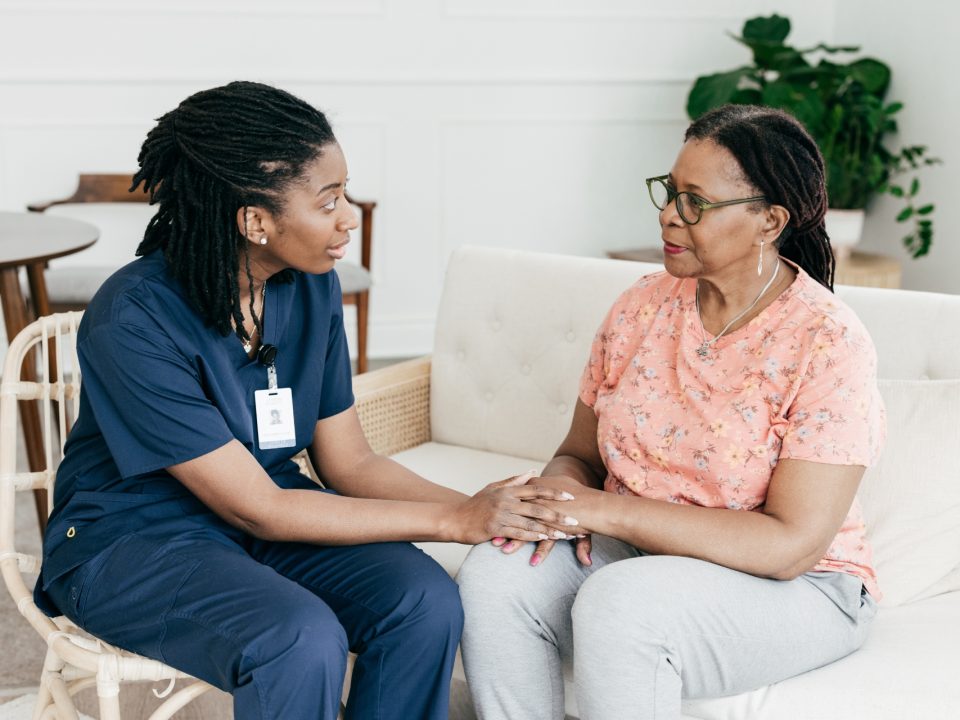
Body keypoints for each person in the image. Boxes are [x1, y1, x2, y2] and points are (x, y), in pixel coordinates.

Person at [34, 81, 577, 720]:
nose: (350, 217)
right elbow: (261, 508)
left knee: (423, 600)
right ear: (255, 221)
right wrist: (452, 523)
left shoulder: (309, 287)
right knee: (296, 638)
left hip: (268, 517)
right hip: (133, 542)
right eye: (329, 201)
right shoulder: (132, 318)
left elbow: (351, 465)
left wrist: (486, 510)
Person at [457, 104, 886, 720]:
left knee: (623, 603)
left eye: (695, 202)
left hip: (800, 586)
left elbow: (789, 545)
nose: (668, 215)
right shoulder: (641, 305)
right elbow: (578, 454)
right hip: (638, 552)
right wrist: (555, 503)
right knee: (497, 573)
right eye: (669, 191)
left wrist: (605, 509)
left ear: (769, 220)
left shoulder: (826, 341)